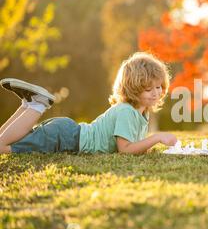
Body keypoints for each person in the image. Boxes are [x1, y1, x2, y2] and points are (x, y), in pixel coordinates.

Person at [0, 52, 177, 154]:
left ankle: (27, 105)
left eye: (159, 87)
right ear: (133, 89)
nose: (157, 92)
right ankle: (36, 105)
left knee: (5, 143)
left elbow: (134, 146)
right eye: (149, 89)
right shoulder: (126, 111)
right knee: (3, 147)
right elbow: (126, 149)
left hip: (67, 134)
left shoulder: (141, 112)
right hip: (65, 139)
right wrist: (157, 138)